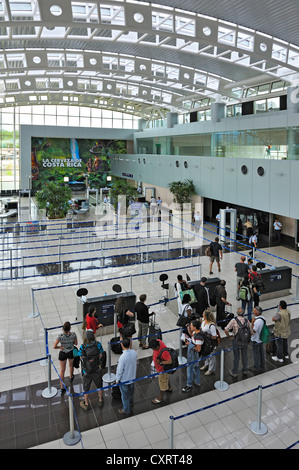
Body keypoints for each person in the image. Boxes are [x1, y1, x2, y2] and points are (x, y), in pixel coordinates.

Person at [73, 330, 105, 411]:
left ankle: (86, 403)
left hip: (86, 372)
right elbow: (101, 355)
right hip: (97, 370)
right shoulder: (98, 344)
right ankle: (100, 400)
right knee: (99, 386)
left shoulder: (83, 346)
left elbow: (80, 356)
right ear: (93, 336)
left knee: (86, 388)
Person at [224, 307, 253, 378]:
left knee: (236, 356)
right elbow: (251, 332)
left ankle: (235, 372)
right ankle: (245, 370)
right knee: (244, 355)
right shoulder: (246, 321)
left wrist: (229, 337)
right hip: (245, 342)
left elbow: (226, 329)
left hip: (236, 341)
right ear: (243, 313)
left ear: (237, 313)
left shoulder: (234, 320)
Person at [53, 321, 78, 394]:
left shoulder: (60, 336)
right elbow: (76, 343)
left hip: (63, 353)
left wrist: (60, 347)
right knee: (71, 365)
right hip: (70, 352)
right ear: (70, 328)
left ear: (63, 328)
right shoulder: (73, 335)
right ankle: (70, 377)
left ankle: (62, 386)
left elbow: (54, 346)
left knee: (62, 370)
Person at [115, 337, 138, 415]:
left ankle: (126, 409)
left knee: (125, 396)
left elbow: (120, 371)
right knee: (131, 393)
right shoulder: (134, 352)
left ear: (122, 345)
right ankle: (131, 404)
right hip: (132, 378)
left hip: (124, 380)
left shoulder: (122, 358)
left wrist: (117, 380)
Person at [182, 319, 203, 392]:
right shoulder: (196, 332)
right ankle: (197, 381)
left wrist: (189, 344)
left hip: (194, 355)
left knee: (190, 369)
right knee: (195, 368)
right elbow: (191, 335)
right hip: (193, 354)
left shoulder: (199, 337)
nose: (190, 326)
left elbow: (198, 349)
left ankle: (189, 385)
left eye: (191, 325)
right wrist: (188, 328)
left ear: (194, 327)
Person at [149, 338, 173, 404]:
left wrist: (160, 362)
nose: (153, 350)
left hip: (162, 370)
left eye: (153, 349)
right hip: (160, 368)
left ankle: (160, 398)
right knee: (166, 378)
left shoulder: (164, 352)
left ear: (157, 347)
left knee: (162, 382)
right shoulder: (158, 341)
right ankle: (169, 387)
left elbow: (170, 361)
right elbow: (155, 352)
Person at [200, 310, 217, 376]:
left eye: (203, 314)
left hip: (210, 343)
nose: (202, 314)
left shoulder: (211, 325)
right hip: (205, 342)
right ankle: (206, 365)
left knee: (211, 356)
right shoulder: (203, 321)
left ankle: (211, 369)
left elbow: (214, 336)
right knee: (206, 355)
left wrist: (207, 335)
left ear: (206, 316)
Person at [251, 306, 266, 373]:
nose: (253, 312)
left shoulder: (257, 321)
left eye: (254, 311)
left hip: (256, 339)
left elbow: (253, 331)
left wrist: (252, 323)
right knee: (261, 352)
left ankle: (257, 367)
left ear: (257, 312)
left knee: (256, 354)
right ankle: (262, 364)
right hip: (261, 338)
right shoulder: (263, 318)